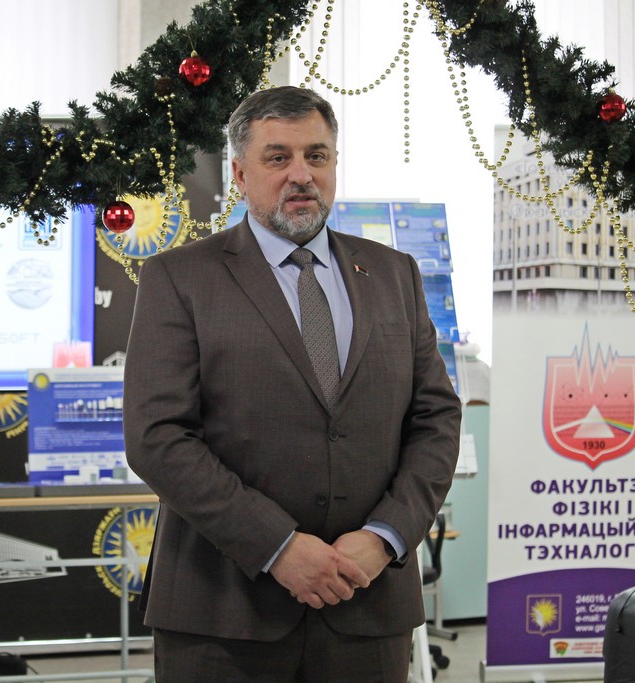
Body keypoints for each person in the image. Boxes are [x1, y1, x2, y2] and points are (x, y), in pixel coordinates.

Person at [123, 85, 462, 682]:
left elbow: (435, 418)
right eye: (278, 157)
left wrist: (385, 536)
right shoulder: (179, 277)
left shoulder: (394, 274)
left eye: (317, 156)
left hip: (366, 604)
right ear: (240, 173)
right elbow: (158, 438)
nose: (301, 174)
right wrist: (278, 546)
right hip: (224, 614)